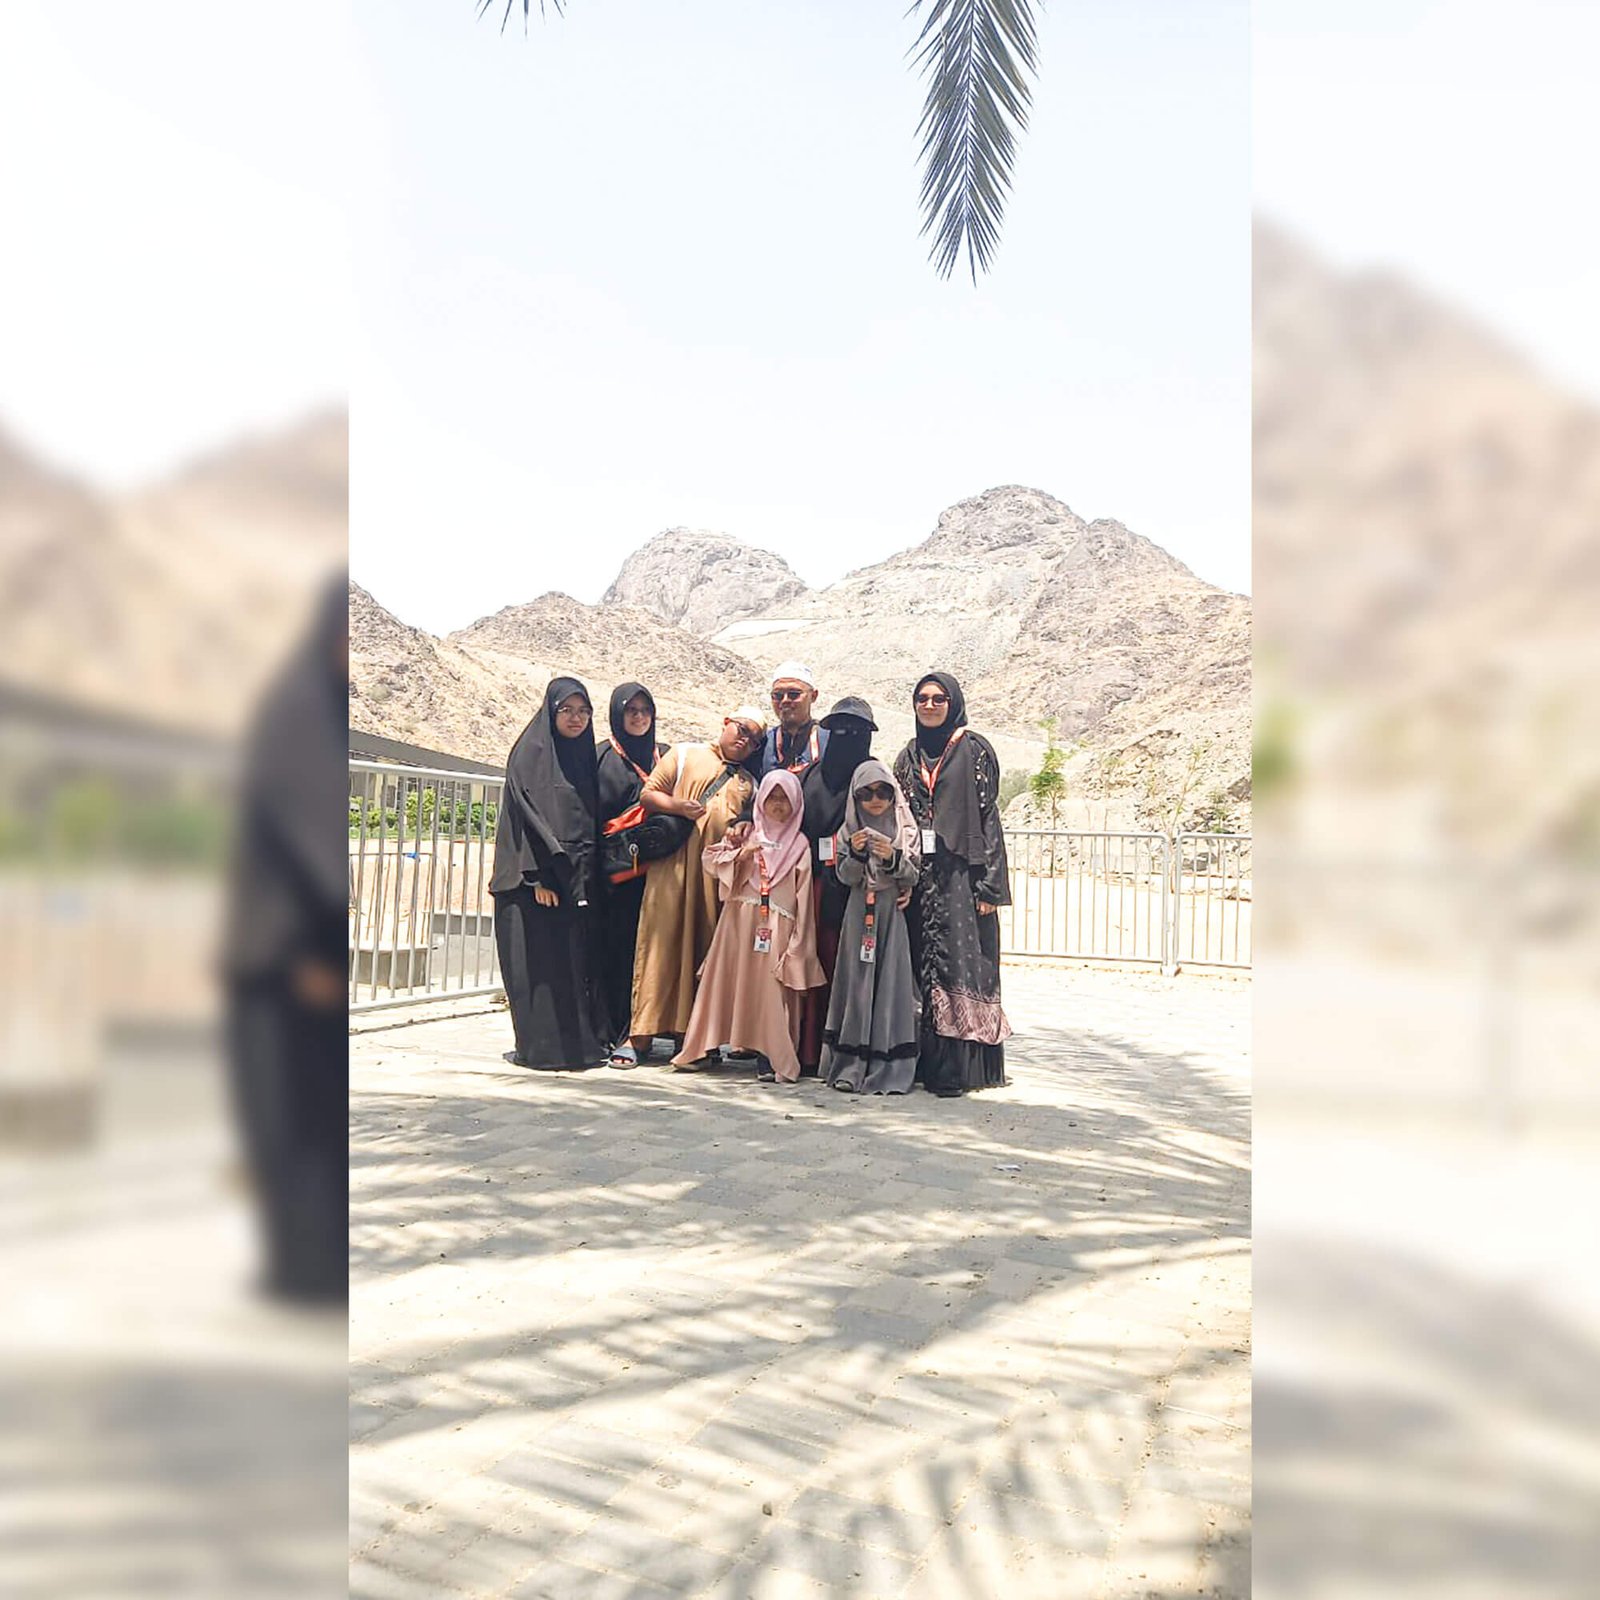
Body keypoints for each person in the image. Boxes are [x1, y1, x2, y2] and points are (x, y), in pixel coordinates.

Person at [223, 575, 349, 1305]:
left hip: (300, 946)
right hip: (283, 948)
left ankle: (308, 1269)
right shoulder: (299, 712)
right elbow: (303, 844)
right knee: (293, 1114)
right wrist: (311, 952)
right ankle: (301, 1274)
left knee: (310, 1113)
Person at [894, 672, 1013, 1096]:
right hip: (921, 881)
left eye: (938, 698)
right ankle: (927, 1063)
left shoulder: (974, 749)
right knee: (922, 965)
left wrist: (991, 886)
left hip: (964, 878)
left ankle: (961, 1069)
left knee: (964, 964)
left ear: (953, 703)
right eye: (922, 698)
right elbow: (901, 820)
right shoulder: (908, 756)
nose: (929, 705)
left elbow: (988, 817)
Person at [489, 677, 612, 1070]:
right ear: (551, 712)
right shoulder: (531, 753)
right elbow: (524, 819)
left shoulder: (581, 758)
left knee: (570, 967)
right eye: (567, 710)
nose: (576, 719)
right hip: (534, 884)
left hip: (571, 882)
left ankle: (577, 1048)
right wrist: (538, 877)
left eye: (583, 711)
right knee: (540, 970)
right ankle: (541, 1050)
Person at [627, 707, 766, 1055]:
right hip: (671, 872)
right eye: (742, 729)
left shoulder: (749, 783)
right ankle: (640, 1035)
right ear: (726, 723)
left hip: (711, 880)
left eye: (754, 739)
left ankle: (690, 1037)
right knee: (659, 946)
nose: (745, 740)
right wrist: (677, 806)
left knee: (703, 949)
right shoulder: (685, 754)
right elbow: (648, 795)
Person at [672, 770, 823, 1084]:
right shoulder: (746, 832)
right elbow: (711, 862)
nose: (778, 805)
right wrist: (743, 853)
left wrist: (799, 944)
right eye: (772, 798)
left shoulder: (799, 845)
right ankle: (700, 1047)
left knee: (770, 991)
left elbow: (804, 898)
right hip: (738, 923)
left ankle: (771, 1054)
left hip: (777, 928)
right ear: (761, 800)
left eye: (785, 799)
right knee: (724, 982)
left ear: (797, 803)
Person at [820, 760, 922, 1095]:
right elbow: (845, 877)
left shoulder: (905, 829)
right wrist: (858, 854)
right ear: (855, 797)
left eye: (883, 792)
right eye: (866, 794)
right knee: (857, 984)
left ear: (894, 795)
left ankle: (887, 1064)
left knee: (890, 983)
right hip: (857, 914)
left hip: (891, 913)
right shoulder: (848, 831)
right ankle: (849, 1064)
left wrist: (892, 857)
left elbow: (913, 875)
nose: (875, 800)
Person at [795, 696, 877, 1071]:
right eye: (839, 730)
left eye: (856, 732)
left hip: (861, 887)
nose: (847, 738)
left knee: (856, 966)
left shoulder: (874, 779)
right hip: (812, 887)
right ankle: (810, 1049)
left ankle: (853, 1048)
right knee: (815, 963)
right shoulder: (808, 776)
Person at [595, 682, 671, 1068]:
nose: (639, 717)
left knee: (659, 954)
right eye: (631, 711)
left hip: (662, 875)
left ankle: (653, 1029)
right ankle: (621, 1031)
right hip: (618, 878)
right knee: (619, 953)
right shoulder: (601, 758)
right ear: (617, 715)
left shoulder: (666, 756)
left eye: (645, 711)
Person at [758, 661, 830, 777]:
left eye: (794, 694)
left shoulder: (830, 740)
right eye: (778, 695)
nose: (785, 700)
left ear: (813, 696)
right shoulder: (762, 743)